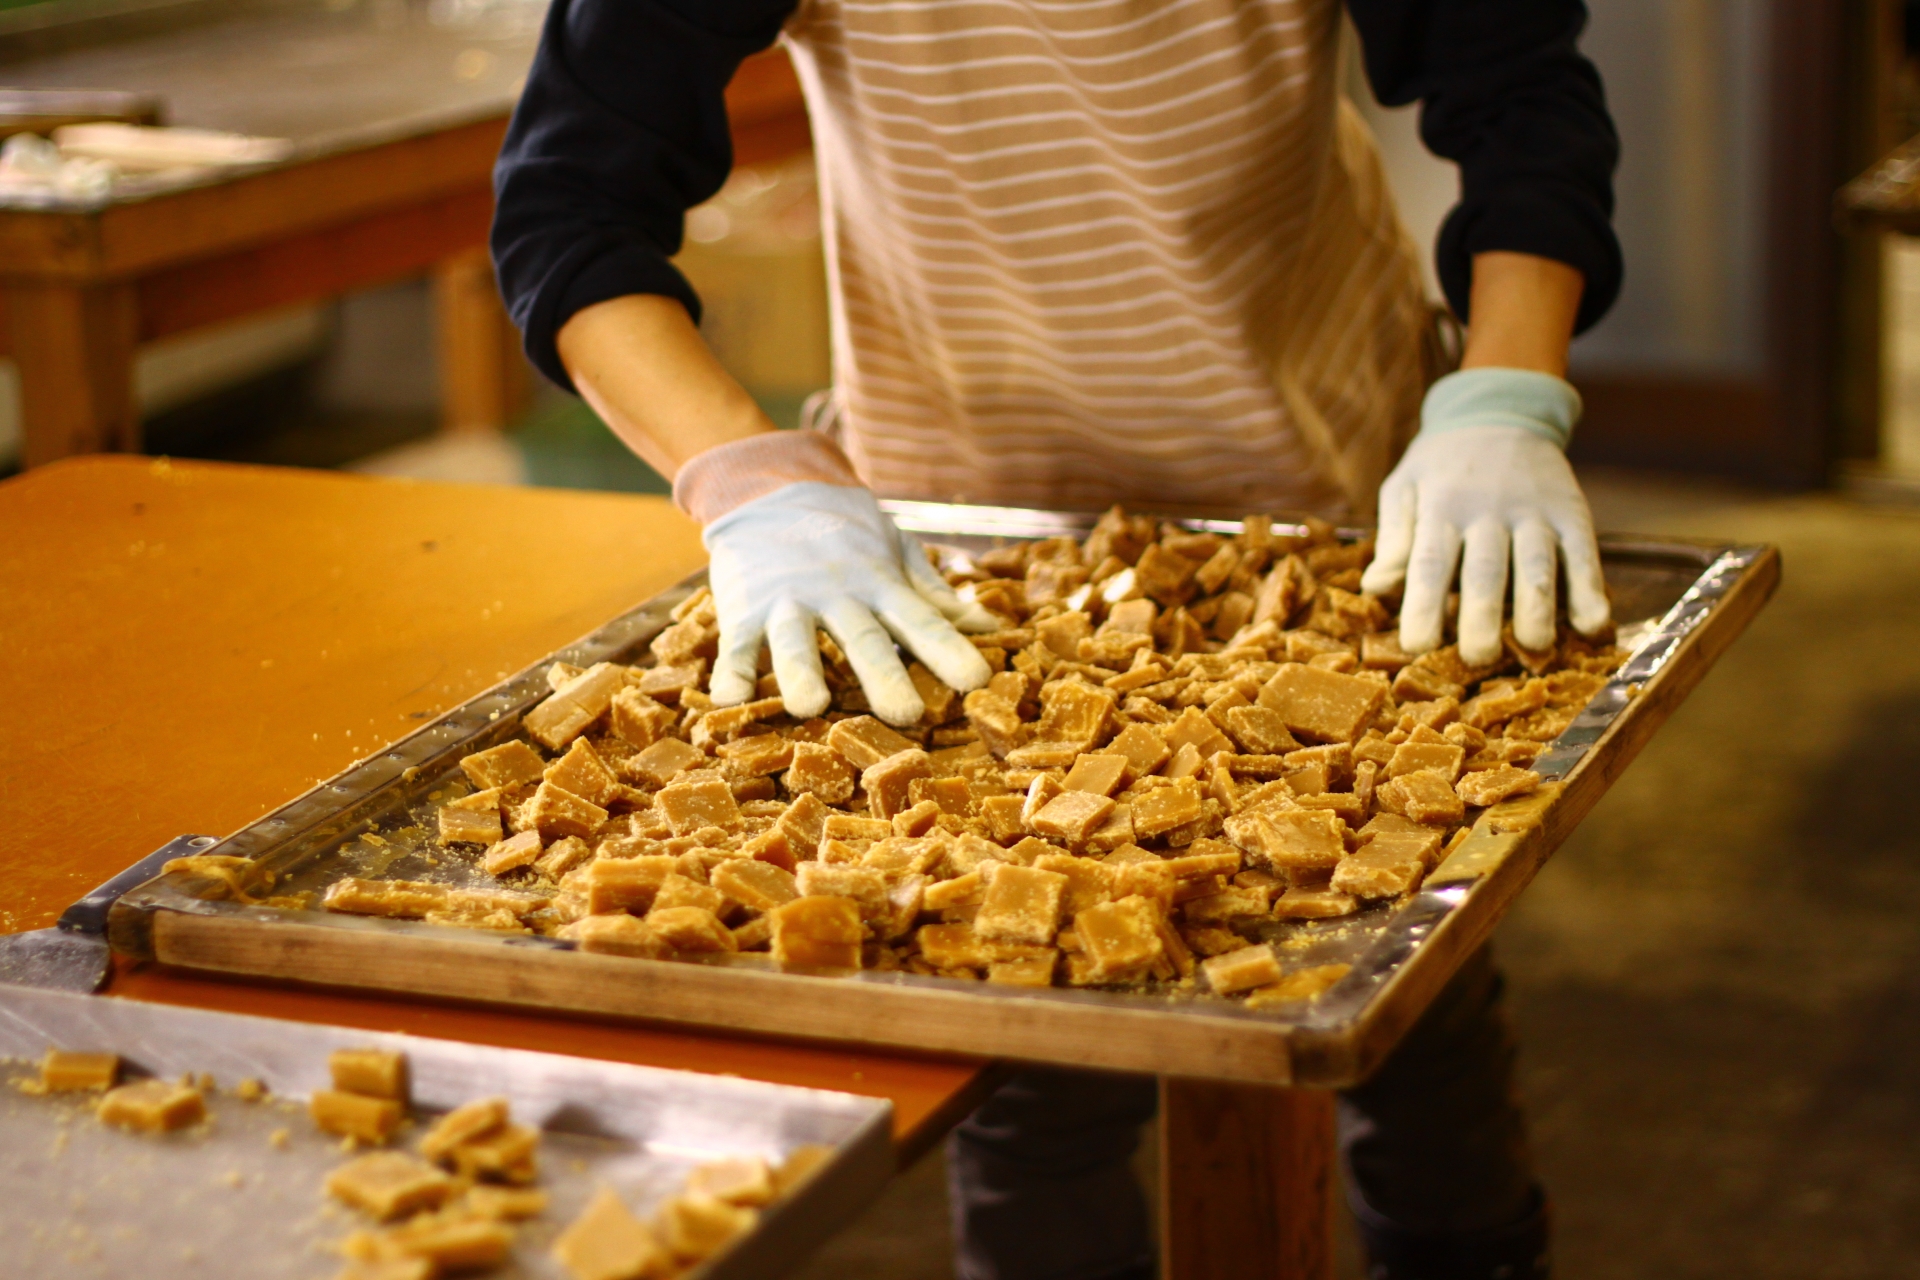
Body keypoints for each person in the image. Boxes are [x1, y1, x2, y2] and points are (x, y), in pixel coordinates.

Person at [493, 3, 1622, 1276]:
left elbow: (1520, 95)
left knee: (1409, 985)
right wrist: (748, 477)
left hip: (1324, 497)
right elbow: (570, 204)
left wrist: (1507, 392)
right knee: (1036, 1035)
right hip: (971, 542)